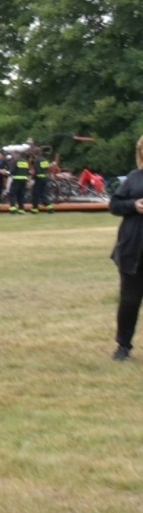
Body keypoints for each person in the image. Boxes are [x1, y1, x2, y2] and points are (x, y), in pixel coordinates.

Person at [108, 135, 143, 361]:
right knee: (129, 301)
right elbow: (114, 205)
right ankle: (123, 346)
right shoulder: (133, 178)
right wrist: (134, 205)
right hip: (133, 249)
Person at [8, 146, 34, 213]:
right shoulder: (25, 162)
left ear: (18, 154)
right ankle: (21, 209)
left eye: (14, 154)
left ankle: (13, 208)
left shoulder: (15, 161)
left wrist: (6, 172)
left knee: (12, 193)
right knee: (21, 195)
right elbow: (27, 171)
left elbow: (12, 171)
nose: (13, 155)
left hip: (16, 179)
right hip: (24, 180)